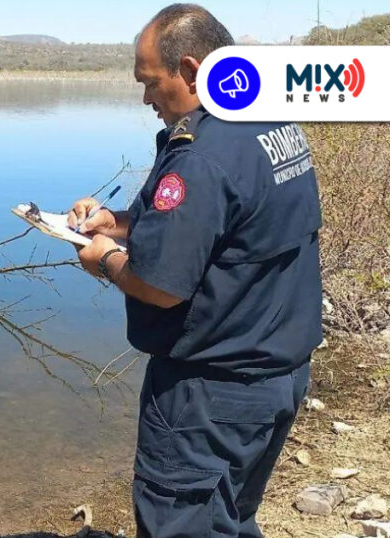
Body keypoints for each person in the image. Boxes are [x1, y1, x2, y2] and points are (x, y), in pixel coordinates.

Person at [67, 4, 321, 537]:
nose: (145, 99)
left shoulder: (201, 152)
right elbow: (226, 222)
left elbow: (160, 287)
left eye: (150, 82)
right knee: (228, 519)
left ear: (188, 69)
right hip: (277, 376)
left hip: (211, 394)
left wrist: (106, 260)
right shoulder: (270, 121)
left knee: (183, 525)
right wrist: (120, 222)